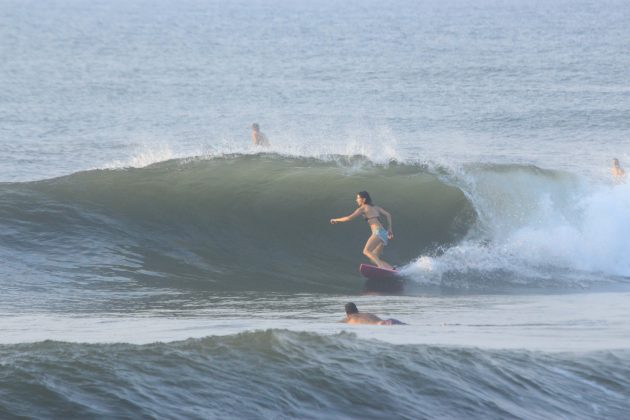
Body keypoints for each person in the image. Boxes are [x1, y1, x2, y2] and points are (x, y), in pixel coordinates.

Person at [330, 191, 394, 269]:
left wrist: (336, 220)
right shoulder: (376, 207)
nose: (356, 200)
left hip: (377, 232)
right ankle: (391, 269)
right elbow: (388, 215)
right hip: (384, 233)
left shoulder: (363, 208)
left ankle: (381, 266)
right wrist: (390, 228)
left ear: (363, 199)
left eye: (358, 198)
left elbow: (349, 218)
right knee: (374, 259)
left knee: (366, 251)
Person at [340, 302, 405, 325]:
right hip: (390, 320)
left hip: (381, 325)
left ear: (347, 313)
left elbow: (338, 323)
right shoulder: (365, 314)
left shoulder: (349, 318)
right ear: (357, 310)